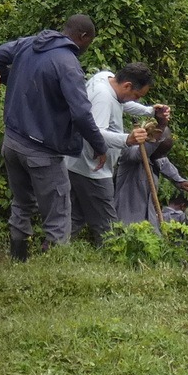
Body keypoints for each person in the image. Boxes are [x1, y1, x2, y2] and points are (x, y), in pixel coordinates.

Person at [0, 14, 111, 261]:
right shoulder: (67, 63)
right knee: (58, 214)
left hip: (12, 142)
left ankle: (18, 258)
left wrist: (7, 78)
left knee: (22, 203)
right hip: (43, 151)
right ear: (83, 37)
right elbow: (81, 112)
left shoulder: (29, 43)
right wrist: (99, 146)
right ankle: (56, 271)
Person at [68, 62, 161, 242]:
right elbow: (94, 132)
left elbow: (121, 103)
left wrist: (149, 111)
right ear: (127, 85)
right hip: (92, 169)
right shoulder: (103, 97)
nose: (136, 100)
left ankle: (55, 249)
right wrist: (127, 139)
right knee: (107, 226)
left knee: (75, 216)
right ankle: (113, 258)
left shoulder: (105, 79)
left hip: (77, 163)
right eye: (136, 95)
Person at [111, 104, 188, 229]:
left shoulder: (156, 157)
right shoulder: (130, 152)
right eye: (159, 153)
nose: (161, 157)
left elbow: (163, 162)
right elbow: (141, 155)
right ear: (152, 147)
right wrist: (162, 126)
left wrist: (180, 181)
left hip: (149, 219)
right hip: (127, 219)